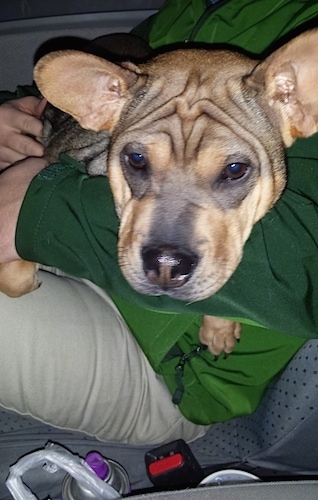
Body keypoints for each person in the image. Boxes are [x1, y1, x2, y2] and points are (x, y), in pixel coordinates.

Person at [0, 0, 318, 488]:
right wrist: (12, 110)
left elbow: (305, 256)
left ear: (301, 104)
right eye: (139, 163)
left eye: (233, 170)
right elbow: (108, 79)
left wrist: (33, 217)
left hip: (170, 364)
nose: (165, 250)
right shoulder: (185, 10)